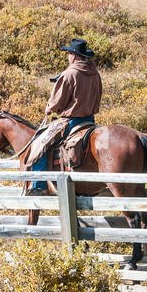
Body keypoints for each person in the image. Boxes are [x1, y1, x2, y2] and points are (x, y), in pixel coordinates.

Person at [23, 38, 102, 193]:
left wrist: (49, 109)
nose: (68, 56)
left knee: (39, 144)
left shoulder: (69, 74)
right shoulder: (95, 73)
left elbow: (56, 102)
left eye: (69, 53)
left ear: (73, 55)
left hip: (71, 122)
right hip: (90, 120)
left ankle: (39, 185)